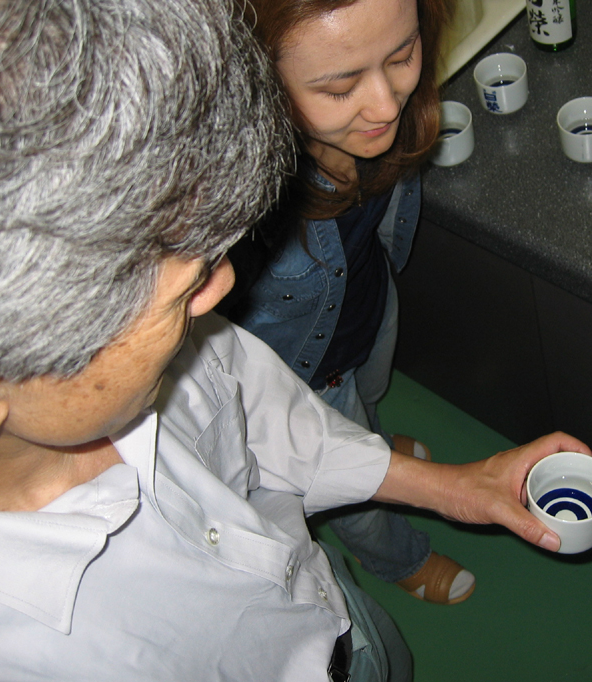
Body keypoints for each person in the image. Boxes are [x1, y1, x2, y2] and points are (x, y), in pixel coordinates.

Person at [0, 0, 592, 680]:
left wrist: (447, 486)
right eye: (179, 293)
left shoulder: (120, 373)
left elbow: (258, 414)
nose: (222, 288)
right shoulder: (9, 654)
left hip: (337, 617)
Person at [220, 0, 473, 605]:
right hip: (304, 375)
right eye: (339, 89)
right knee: (353, 485)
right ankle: (398, 559)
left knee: (374, 394)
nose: (387, 106)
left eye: (402, 55)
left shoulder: (386, 116)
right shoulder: (240, 214)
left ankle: (378, 446)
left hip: (367, 301)